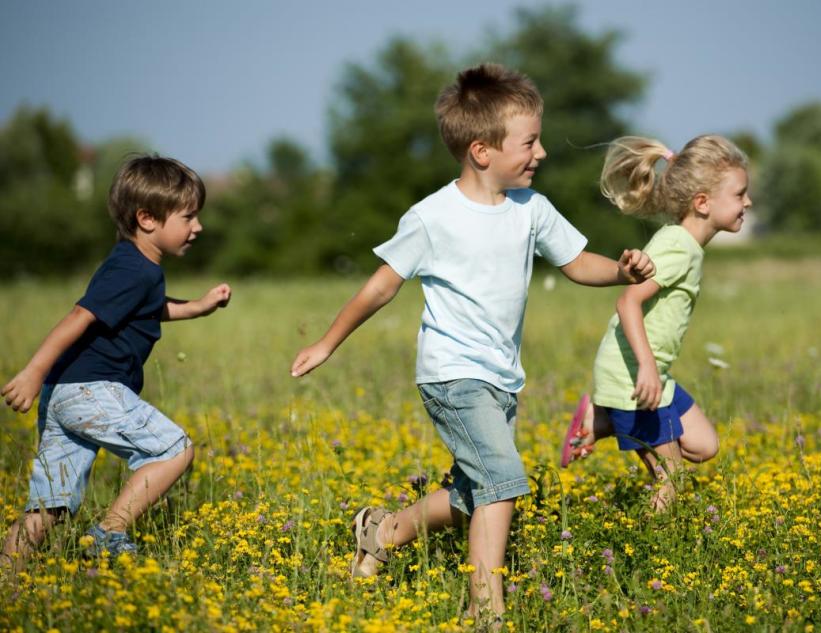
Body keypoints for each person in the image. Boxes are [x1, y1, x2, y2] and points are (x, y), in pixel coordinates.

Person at [290, 63, 654, 624]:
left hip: (502, 378)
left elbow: (579, 263)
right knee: (504, 482)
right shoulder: (433, 217)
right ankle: (487, 612)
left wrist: (624, 272)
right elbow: (382, 285)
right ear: (482, 150)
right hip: (452, 375)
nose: (541, 153)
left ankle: (382, 532)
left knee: (472, 495)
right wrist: (327, 343)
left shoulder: (532, 209)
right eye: (529, 142)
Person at [1, 155, 231, 572]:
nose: (197, 227)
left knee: (51, 505)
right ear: (147, 219)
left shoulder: (133, 266)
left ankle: (8, 579)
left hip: (65, 393)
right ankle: (110, 534)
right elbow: (79, 317)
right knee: (173, 449)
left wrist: (197, 306)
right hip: (92, 388)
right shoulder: (134, 271)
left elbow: (143, 310)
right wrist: (32, 371)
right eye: (189, 217)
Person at [560, 134, 751, 512]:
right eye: (740, 193)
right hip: (636, 375)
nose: (748, 202)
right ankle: (650, 559)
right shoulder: (677, 246)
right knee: (672, 478)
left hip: (652, 373)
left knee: (704, 446)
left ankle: (600, 421)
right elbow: (628, 300)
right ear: (702, 203)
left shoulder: (687, 246)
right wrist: (646, 367)